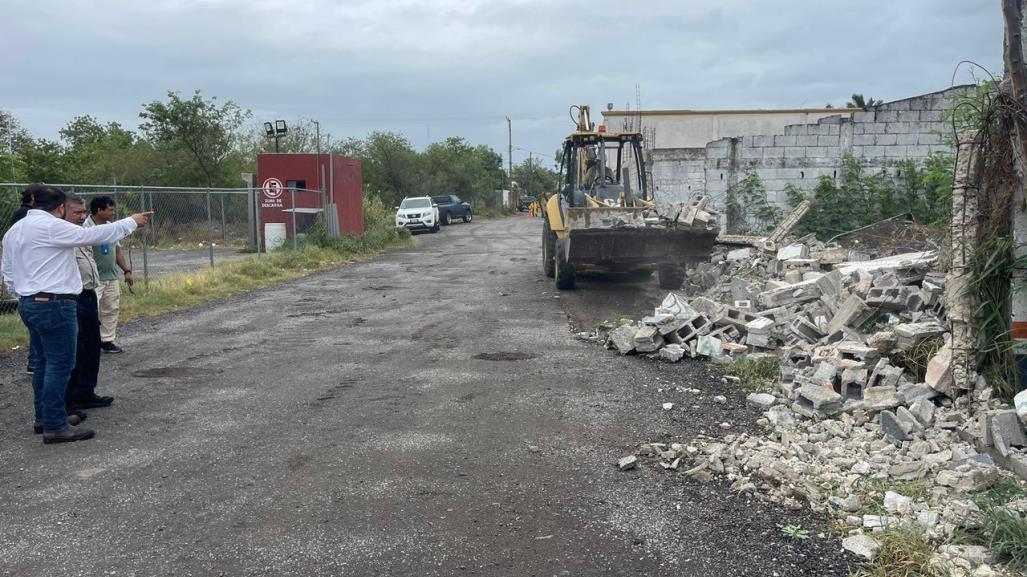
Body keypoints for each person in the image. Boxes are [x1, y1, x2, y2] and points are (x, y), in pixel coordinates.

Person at [1, 184, 150, 444]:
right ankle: (56, 425)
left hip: (30, 302)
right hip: (55, 304)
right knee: (60, 364)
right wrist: (131, 222)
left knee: (44, 364)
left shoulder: (16, 229)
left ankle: (46, 416)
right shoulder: (50, 226)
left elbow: (9, 270)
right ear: (60, 207)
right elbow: (94, 235)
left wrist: (23, 294)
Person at [64, 196, 113, 411]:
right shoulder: (60, 234)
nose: (83, 217)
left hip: (89, 293)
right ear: (61, 211)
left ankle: (86, 392)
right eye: (77, 213)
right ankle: (70, 398)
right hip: (73, 297)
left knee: (92, 345)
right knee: (77, 349)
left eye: (84, 212)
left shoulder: (81, 233)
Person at [86, 196, 133, 353]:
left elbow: (117, 250)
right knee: (90, 312)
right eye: (110, 209)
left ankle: (107, 340)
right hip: (93, 280)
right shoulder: (85, 228)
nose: (113, 213)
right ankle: (88, 341)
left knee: (111, 309)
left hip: (111, 277)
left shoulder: (111, 227)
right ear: (99, 210)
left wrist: (126, 271)